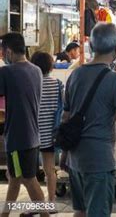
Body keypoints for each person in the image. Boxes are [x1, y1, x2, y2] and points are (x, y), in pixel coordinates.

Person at [61, 23, 116, 216]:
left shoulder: (75, 74)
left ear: (92, 46)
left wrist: (64, 155)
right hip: (99, 160)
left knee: (79, 211)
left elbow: (66, 118)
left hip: (75, 158)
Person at [0, 33, 49, 217]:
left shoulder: (7, 72)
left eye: (3, 52)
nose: (3, 56)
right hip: (32, 135)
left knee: (29, 180)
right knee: (15, 178)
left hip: (17, 137)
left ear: (9, 51)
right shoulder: (36, 70)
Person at [31, 52, 64, 207]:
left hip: (32, 134)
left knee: (29, 173)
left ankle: (37, 203)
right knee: (50, 169)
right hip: (51, 134)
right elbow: (63, 109)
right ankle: (51, 201)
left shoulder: (30, 83)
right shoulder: (57, 84)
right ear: (50, 66)